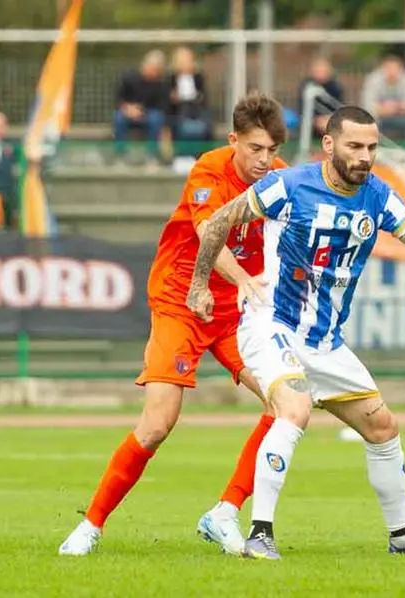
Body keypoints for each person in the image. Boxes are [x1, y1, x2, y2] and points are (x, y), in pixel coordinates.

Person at [185, 105, 405, 559]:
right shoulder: (288, 185)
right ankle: (259, 533)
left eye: (371, 147)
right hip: (273, 324)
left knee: (383, 426)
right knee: (295, 406)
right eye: (354, 146)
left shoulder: (378, 197)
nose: (365, 156)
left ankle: (403, 537)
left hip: (326, 341)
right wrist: (200, 283)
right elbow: (220, 221)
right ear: (329, 145)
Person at [59, 91, 289, 557]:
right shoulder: (208, 169)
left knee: (287, 405)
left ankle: (224, 511)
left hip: (236, 313)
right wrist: (245, 279)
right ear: (234, 141)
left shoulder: (282, 179)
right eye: (255, 149)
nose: (264, 160)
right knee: (158, 423)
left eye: (271, 150)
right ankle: (91, 525)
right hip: (182, 300)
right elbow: (209, 233)